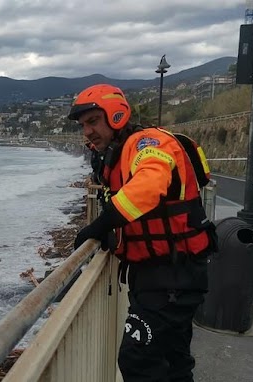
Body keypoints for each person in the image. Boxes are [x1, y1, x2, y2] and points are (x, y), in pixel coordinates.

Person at [68, 84, 217, 382]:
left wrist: (100, 225)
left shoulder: (146, 144)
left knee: (138, 360)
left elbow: (148, 187)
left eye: (94, 121)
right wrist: (118, 234)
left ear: (116, 115)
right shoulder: (122, 151)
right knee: (174, 361)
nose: (87, 131)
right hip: (166, 275)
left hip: (169, 278)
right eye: (83, 125)